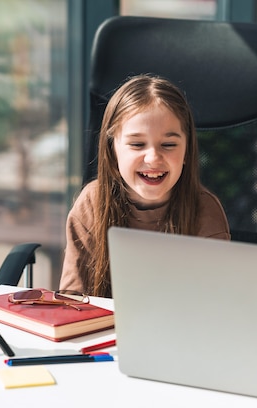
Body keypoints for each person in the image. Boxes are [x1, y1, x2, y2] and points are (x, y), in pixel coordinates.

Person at [60, 75, 230, 297]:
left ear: (187, 151)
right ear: (112, 151)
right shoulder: (92, 204)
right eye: (137, 144)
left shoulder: (204, 210)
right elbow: (71, 300)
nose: (153, 158)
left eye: (168, 145)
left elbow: (217, 304)